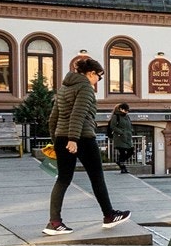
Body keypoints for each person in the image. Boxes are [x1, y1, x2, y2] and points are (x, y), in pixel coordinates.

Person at [43, 57, 129, 235]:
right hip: (82, 137)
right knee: (97, 176)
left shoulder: (63, 88)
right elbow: (78, 114)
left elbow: (53, 118)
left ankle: (54, 222)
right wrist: (73, 139)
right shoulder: (85, 88)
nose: (98, 80)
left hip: (61, 137)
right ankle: (109, 215)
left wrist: (57, 140)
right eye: (99, 76)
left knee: (63, 179)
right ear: (91, 73)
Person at [109, 102, 135, 174]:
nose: (127, 111)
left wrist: (131, 131)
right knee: (122, 152)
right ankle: (123, 168)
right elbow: (113, 126)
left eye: (127, 110)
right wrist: (121, 132)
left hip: (128, 137)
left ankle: (120, 162)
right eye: (126, 110)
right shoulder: (116, 116)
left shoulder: (127, 117)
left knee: (131, 151)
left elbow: (129, 125)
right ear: (121, 109)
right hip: (119, 138)